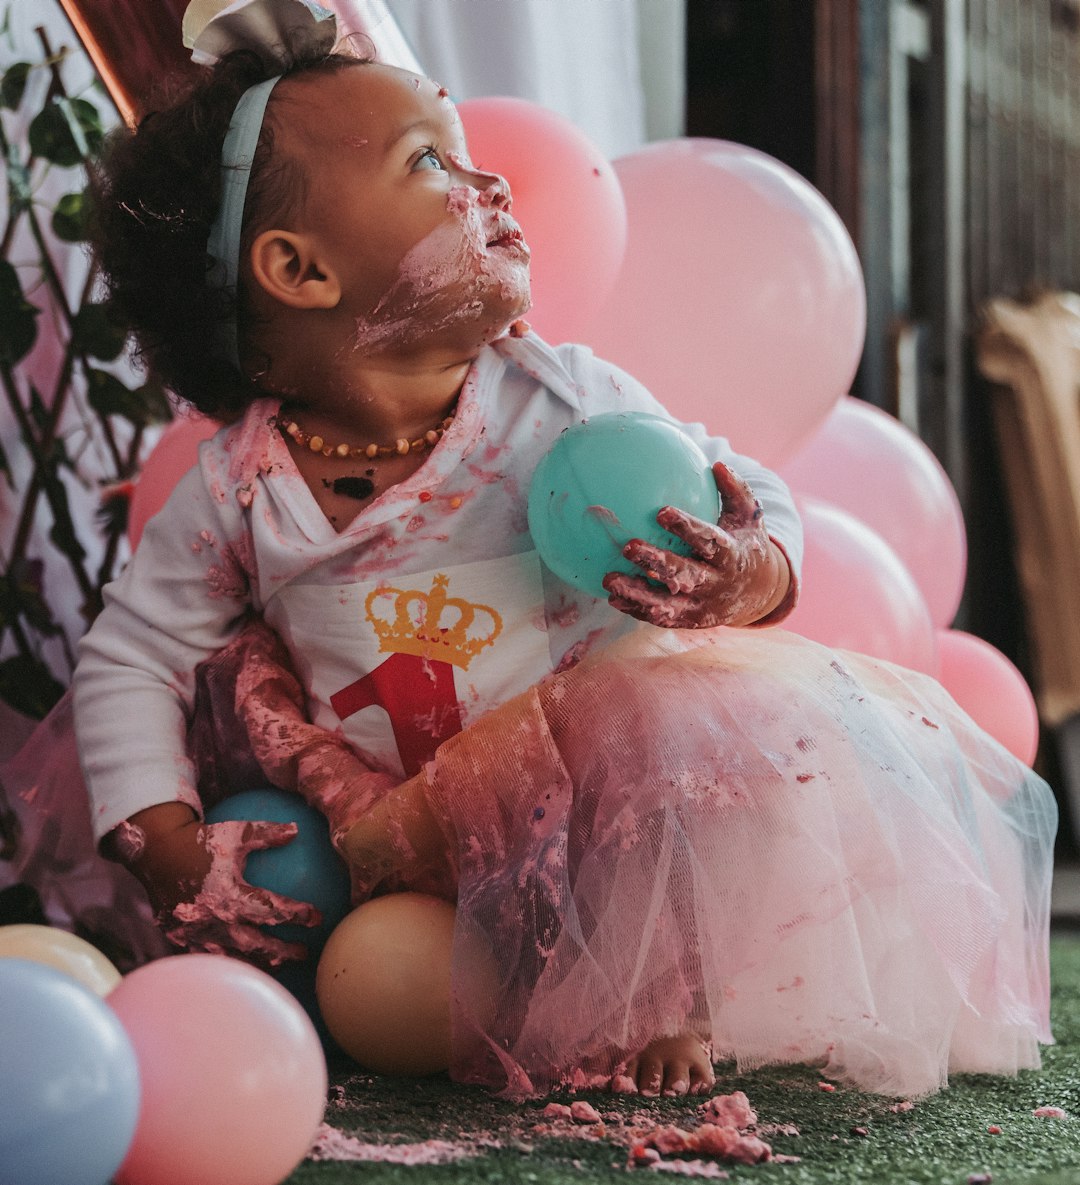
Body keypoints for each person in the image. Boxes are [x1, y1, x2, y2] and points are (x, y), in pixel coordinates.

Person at [74, 0, 1055, 1100]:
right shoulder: (239, 485)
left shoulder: (556, 399)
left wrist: (746, 566)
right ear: (299, 271)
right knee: (369, 961)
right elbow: (131, 657)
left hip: (591, 823)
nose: (490, 184)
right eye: (429, 162)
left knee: (672, 738)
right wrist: (165, 846)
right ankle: (427, 979)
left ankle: (659, 985)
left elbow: (745, 490)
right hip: (395, 827)